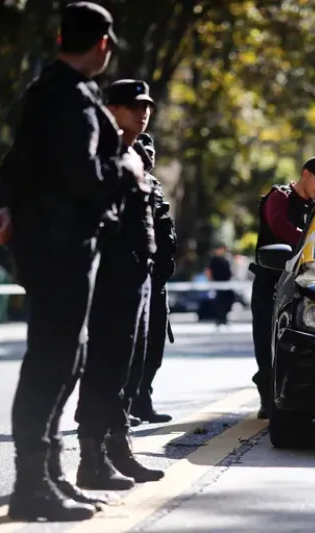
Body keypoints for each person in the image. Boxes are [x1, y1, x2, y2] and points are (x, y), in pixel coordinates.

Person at [0, 2, 145, 522]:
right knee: (51, 364)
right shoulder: (72, 100)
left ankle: (48, 476)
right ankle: (31, 485)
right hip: (62, 249)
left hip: (53, 247)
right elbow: (84, 181)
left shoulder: (45, 91)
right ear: (102, 44)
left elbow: (16, 162)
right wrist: (126, 166)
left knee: (63, 360)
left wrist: (3, 207)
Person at [73, 79, 163, 490]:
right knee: (104, 364)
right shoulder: (99, 151)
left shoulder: (134, 153)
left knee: (130, 364)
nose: (142, 112)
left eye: (145, 105)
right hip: (109, 273)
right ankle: (91, 456)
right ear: (111, 108)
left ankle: (118, 446)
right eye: (132, 105)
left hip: (137, 274)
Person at [249, 157, 315, 418]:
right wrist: (313, 243)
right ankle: (266, 396)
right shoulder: (279, 196)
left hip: (300, 285)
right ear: (305, 174)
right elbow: (279, 226)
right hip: (269, 282)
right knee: (265, 343)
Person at [129, 131, 177, 424]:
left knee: (154, 344)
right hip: (134, 275)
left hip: (157, 279)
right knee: (129, 345)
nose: (150, 154)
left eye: (152, 149)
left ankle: (141, 400)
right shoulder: (125, 181)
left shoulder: (154, 185)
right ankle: (118, 405)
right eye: (143, 149)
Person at [207, 243, 234, 326]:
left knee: (227, 301)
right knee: (219, 302)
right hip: (218, 284)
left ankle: (224, 318)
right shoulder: (214, 260)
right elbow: (209, 271)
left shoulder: (226, 259)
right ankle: (219, 320)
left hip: (226, 285)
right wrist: (211, 281)